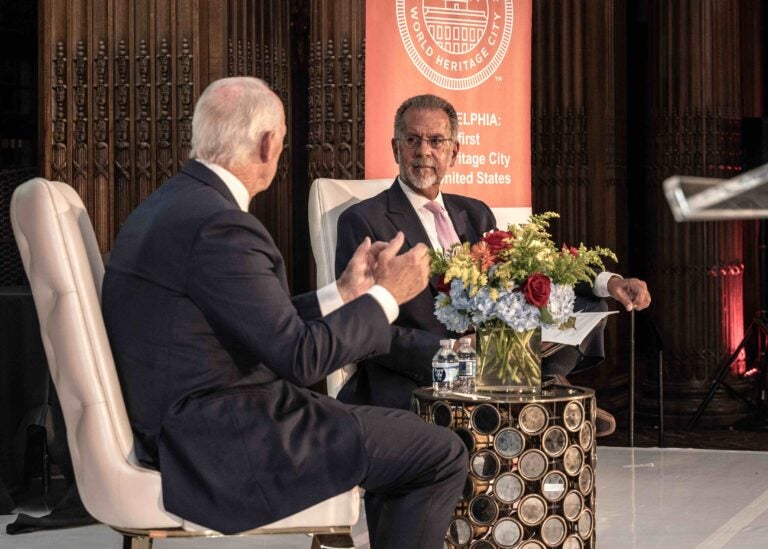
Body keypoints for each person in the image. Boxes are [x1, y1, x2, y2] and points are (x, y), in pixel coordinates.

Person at [102, 78, 467, 548]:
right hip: (224, 440)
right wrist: (387, 296)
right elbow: (301, 359)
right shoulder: (223, 226)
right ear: (268, 143)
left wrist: (345, 291)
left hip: (195, 419)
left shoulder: (172, 205)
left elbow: (261, 325)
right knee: (439, 453)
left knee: (411, 436)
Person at [335, 94, 651, 427]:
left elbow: (532, 271)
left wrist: (610, 283)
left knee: (590, 306)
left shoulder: (474, 213)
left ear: (453, 152)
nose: (424, 151)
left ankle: (539, 383)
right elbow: (361, 324)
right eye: (412, 140)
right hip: (426, 368)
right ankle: (543, 397)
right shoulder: (364, 220)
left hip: (494, 351)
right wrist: (452, 348)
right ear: (395, 148)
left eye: (436, 141)